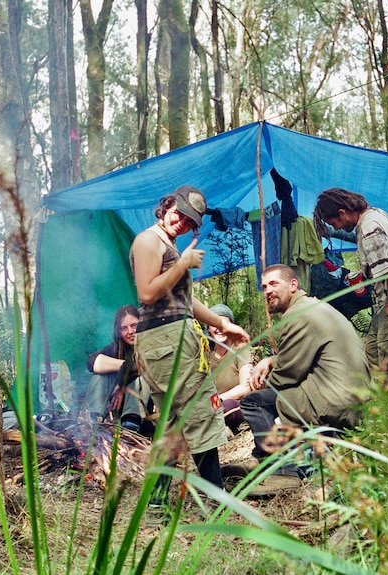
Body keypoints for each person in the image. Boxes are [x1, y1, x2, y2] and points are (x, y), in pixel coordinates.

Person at [130, 185, 250, 524]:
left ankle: (155, 506)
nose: (181, 221)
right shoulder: (148, 241)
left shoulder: (167, 244)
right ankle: (216, 501)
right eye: (178, 212)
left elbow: (184, 302)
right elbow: (148, 292)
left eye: (189, 220)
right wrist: (182, 263)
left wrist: (222, 324)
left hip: (170, 337)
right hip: (166, 339)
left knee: (174, 423)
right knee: (200, 411)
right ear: (167, 205)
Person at [239, 264, 371, 496]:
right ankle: (261, 458)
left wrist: (257, 381)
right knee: (272, 396)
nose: (268, 290)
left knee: (255, 402)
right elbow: (302, 355)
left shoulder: (295, 316)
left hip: (335, 402)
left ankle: (284, 473)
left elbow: (288, 375)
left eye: (274, 284)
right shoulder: (313, 306)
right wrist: (271, 360)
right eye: (264, 287)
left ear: (293, 285)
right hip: (354, 398)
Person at [313, 188, 388, 384]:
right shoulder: (376, 214)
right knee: (372, 352)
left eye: (334, 223)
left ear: (342, 212)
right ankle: (380, 404)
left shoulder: (369, 228)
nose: (336, 227)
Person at [84, 305, 152, 434]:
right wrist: (125, 366)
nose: (130, 331)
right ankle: (93, 420)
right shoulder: (117, 348)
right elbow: (92, 362)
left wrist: (122, 386)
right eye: (124, 328)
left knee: (141, 378)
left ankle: (131, 424)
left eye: (134, 325)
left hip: (142, 412)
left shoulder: (150, 344)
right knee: (100, 376)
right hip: (115, 408)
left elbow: (145, 367)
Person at [205, 303, 253, 434]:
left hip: (234, 406)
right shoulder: (205, 357)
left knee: (226, 407)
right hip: (211, 409)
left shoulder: (240, 349)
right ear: (208, 328)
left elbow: (246, 387)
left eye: (224, 323)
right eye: (215, 324)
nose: (219, 328)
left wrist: (216, 401)